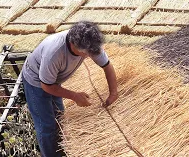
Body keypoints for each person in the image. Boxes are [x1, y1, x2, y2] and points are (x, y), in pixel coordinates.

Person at [22, 21, 118, 157]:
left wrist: (113, 92)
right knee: (46, 126)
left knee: (59, 116)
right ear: (75, 46)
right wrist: (74, 96)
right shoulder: (54, 52)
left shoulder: (90, 44)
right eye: (87, 54)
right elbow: (46, 86)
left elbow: (107, 66)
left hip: (53, 80)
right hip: (35, 81)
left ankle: (61, 147)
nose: (90, 56)